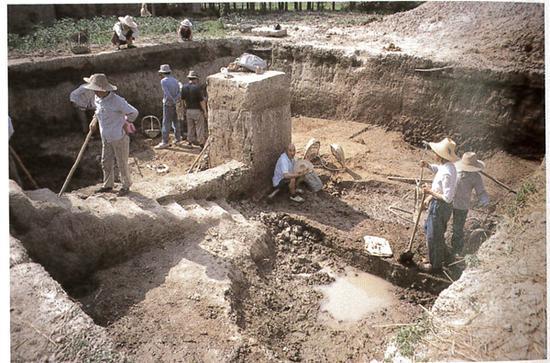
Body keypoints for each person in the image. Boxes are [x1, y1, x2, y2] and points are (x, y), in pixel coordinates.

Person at [83, 74, 138, 196]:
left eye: (96, 90)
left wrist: (126, 122)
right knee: (105, 161)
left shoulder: (117, 101)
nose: (94, 92)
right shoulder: (97, 99)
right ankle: (107, 185)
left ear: (103, 89)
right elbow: (97, 111)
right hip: (106, 137)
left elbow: (133, 112)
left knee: (121, 162)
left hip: (118, 136)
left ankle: (125, 186)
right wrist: (94, 120)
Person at [418, 137, 459, 272]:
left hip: (440, 206)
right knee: (430, 229)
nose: (434, 155)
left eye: (436, 153)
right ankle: (445, 256)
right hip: (437, 204)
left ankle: (434, 266)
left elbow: (447, 197)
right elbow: (438, 170)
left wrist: (430, 192)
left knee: (433, 235)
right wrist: (428, 165)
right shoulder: (447, 166)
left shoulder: (447, 172)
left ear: (440, 155)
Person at [451, 152, 490, 256]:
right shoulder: (454, 171)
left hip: (461, 205)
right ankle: (443, 249)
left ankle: (456, 252)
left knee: (457, 230)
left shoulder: (475, 177)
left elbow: (481, 192)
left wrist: (486, 202)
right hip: (447, 201)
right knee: (443, 226)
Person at [155, 64, 182, 149]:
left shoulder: (163, 81)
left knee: (166, 123)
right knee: (176, 122)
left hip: (168, 104)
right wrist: (175, 100)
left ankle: (164, 141)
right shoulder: (176, 81)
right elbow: (179, 93)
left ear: (163, 73)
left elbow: (167, 93)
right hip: (176, 104)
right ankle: (178, 139)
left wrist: (172, 100)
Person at [181, 70, 208, 148]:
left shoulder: (184, 87)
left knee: (190, 127)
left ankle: (189, 141)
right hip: (197, 110)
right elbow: (201, 101)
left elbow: (183, 100)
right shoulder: (197, 88)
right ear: (196, 79)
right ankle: (201, 143)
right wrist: (205, 111)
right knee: (199, 127)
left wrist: (185, 109)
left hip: (188, 110)